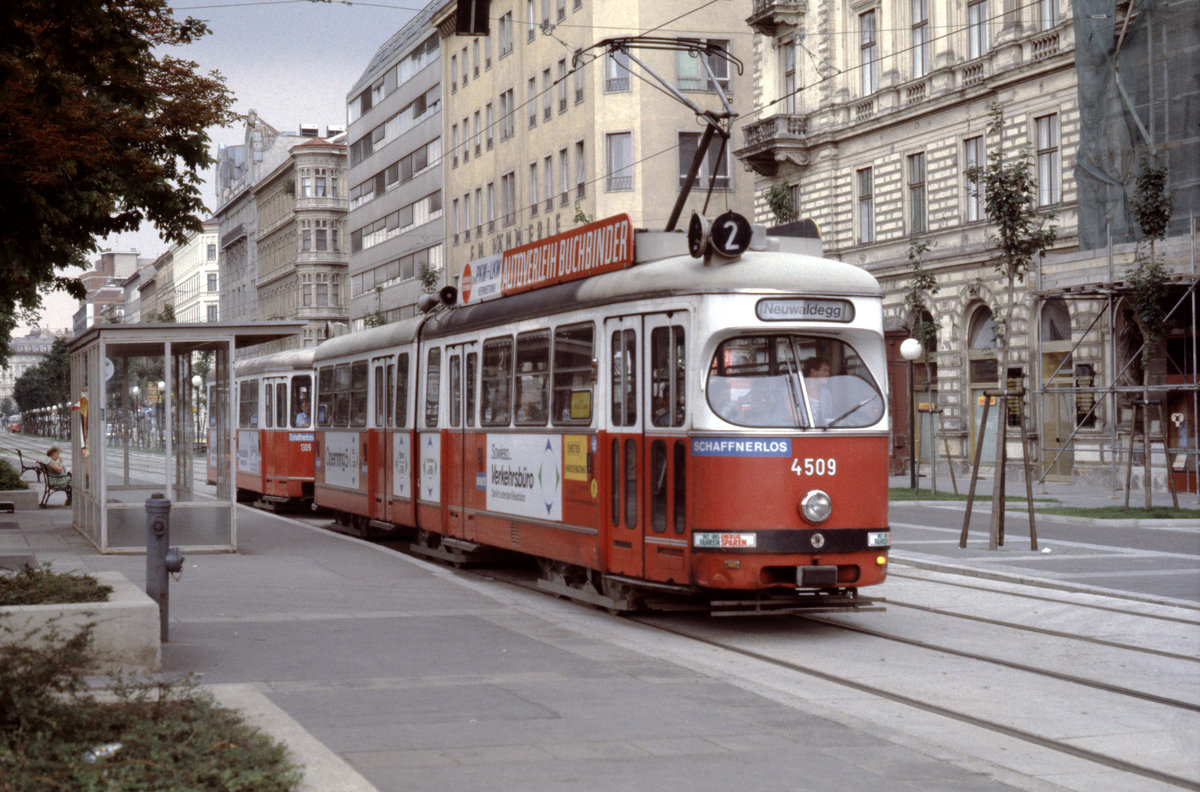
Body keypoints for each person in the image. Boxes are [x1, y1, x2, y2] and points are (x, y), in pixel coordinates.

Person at [803, 356, 832, 425]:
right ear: (813, 372)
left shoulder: (826, 394)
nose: (828, 374)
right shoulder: (796, 391)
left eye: (828, 371)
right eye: (825, 370)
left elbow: (828, 417)